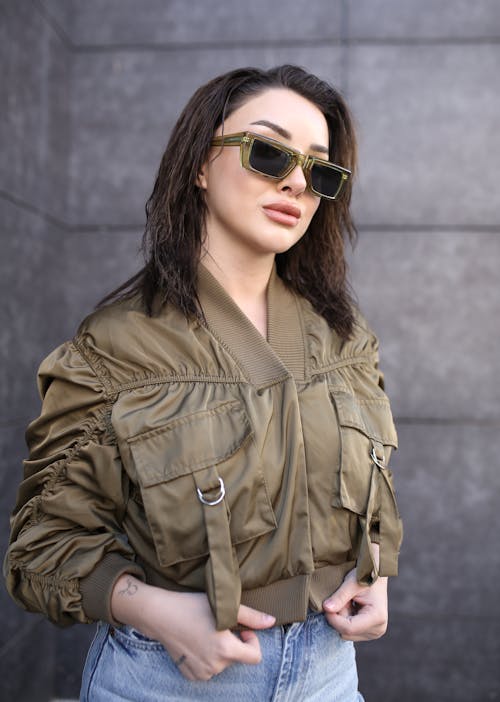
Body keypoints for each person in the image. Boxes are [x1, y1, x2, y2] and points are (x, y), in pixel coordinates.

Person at [4, 65, 402, 702]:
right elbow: (41, 549)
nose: (297, 182)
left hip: (330, 676)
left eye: (319, 170)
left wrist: (374, 573)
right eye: (269, 152)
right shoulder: (117, 347)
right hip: (171, 680)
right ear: (199, 163)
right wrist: (153, 610)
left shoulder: (343, 334)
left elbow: (370, 488)